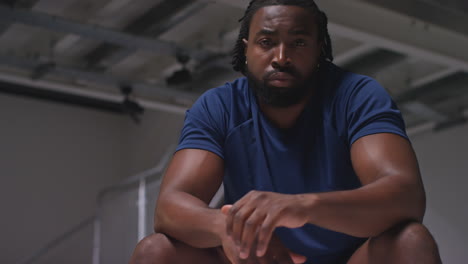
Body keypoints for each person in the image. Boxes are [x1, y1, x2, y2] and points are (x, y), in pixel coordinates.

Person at [130, 0, 442, 263]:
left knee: (411, 241)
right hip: (258, 258)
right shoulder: (219, 106)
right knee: (155, 252)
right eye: (266, 42)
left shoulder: (356, 96)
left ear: (319, 49)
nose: (281, 57)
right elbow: (170, 206)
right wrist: (228, 228)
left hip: (351, 258)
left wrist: (302, 206)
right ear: (247, 48)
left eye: (299, 42)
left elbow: (405, 196)